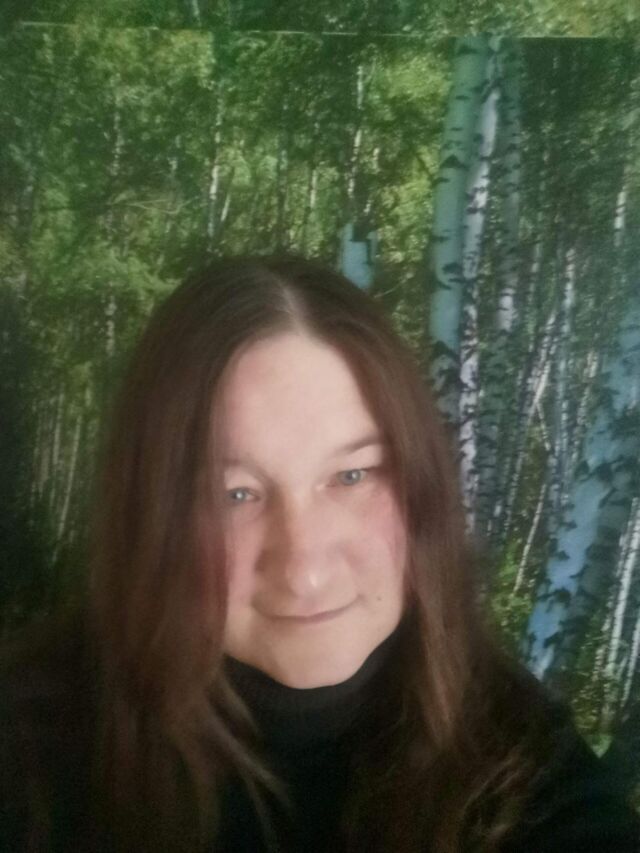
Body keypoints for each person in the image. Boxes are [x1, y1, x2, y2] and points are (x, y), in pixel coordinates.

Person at [1, 255, 638, 853]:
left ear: (422, 489)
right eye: (234, 494)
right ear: (153, 516)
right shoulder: (28, 744)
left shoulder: (533, 778)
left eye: (352, 476)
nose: (305, 570)